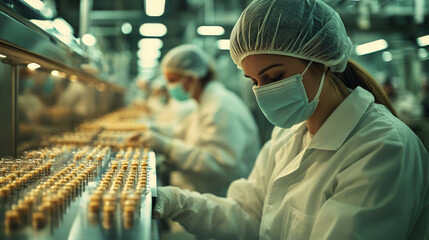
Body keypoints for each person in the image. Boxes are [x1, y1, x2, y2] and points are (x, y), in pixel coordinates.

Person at [150, 0, 429, 239]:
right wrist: (176, 202)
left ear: (321, 60)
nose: (264, 91)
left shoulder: (382, 148)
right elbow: (249, 214)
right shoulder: (288, 134)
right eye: (255, 81)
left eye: (275, 77)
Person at [129, 44, 260, 197]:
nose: (170, 87)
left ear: (192, 76)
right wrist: (152, 130)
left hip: (219, 198)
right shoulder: (203, 103)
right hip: (200, 193)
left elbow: (220, 164)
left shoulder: (220, 107)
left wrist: (169, 148)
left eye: (173, 80)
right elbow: (181, 132)